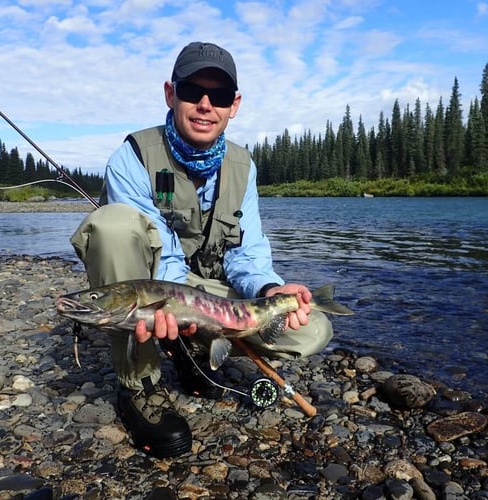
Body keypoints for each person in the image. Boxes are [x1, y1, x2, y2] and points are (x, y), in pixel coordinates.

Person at [69, 42, 334, 458]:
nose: (206, 105)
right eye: (193, 90)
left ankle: (191, 346)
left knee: (313, 330)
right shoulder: (133, 157)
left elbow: (247, 251)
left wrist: (269, 290)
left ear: (235, 105)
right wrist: (180, 310)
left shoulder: (243, 167)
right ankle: (140, 384)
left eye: (221, 96)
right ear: (171, 94)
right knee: (112, 225)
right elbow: (166, 258)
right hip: (158, 287)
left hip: (201, 294)